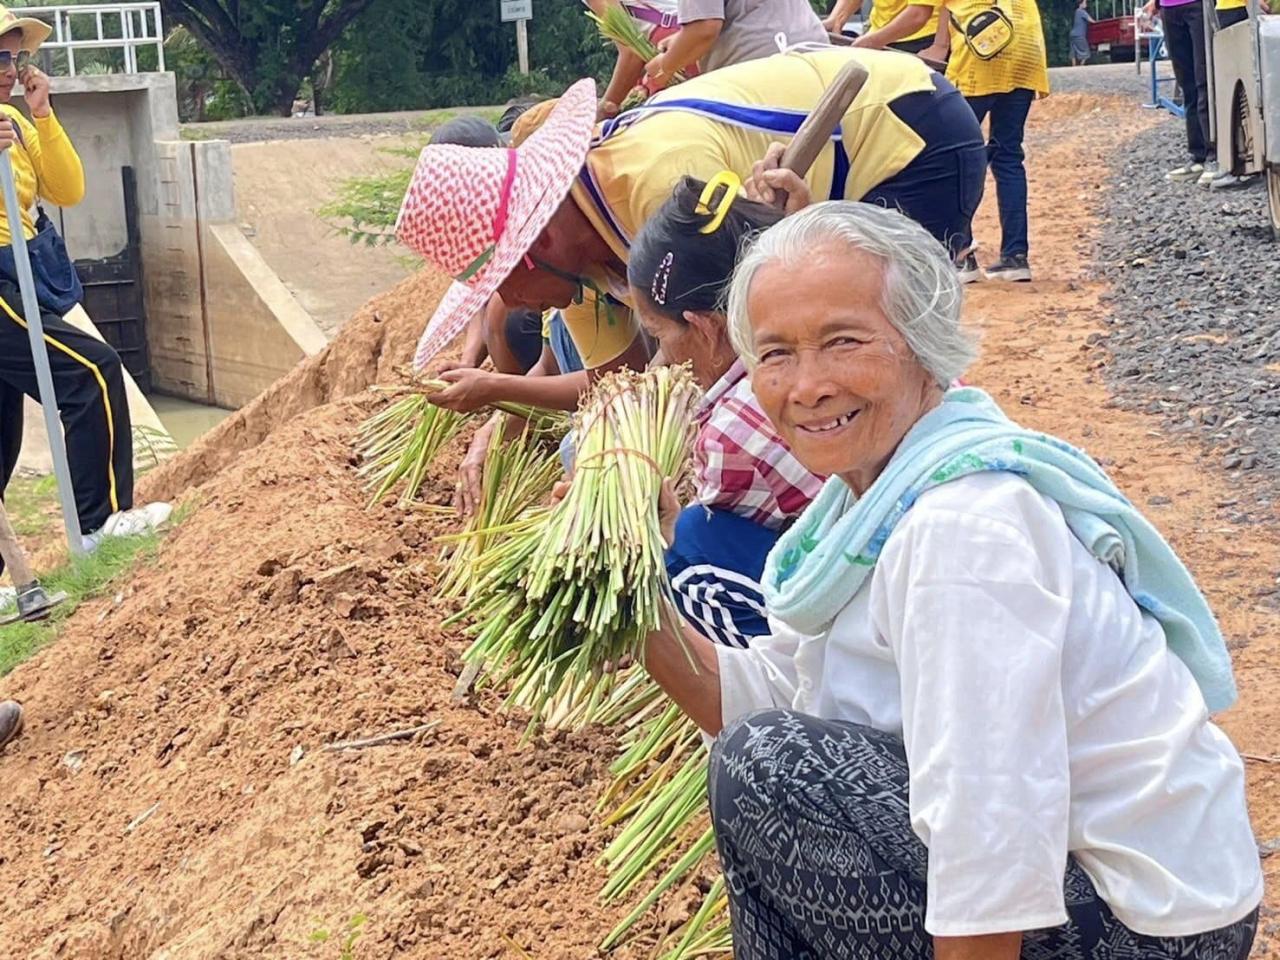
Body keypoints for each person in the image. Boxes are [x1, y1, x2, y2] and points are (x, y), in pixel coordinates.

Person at [635, 201, 1262, 958]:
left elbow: (991, 833)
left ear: (922, 345)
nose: (807, 386)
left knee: (767, 769)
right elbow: (760, 697)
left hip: (1148, 926)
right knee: (758, 767)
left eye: (844, 342)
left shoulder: (961, 533)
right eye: (775, 354)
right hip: (1081, 888)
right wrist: (627, 585)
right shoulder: (862, 503)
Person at [398, 46, 987, 373]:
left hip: (905, 132)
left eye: (499, 284)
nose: (507, 305)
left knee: (888, 342)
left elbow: (738, 341)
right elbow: (619, 374)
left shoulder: (657, 182)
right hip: (846, 167)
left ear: (535, 251)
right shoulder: (582, 252)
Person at [623, 172, 824, 647]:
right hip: (905, 544)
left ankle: (784, 688)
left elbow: (707, 536)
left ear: (706, 328)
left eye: (662, 335)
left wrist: (658, 529)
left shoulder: (731, 427)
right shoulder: (820, 326)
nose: (664, 355)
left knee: (689, 545)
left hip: (872, 596)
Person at [0, 7, 170, 564]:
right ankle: (99, 523)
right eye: (0, 56)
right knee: (90, 370)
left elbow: (68, 189)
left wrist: (42, 115)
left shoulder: (17, 123)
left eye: (15, 56)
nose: (9, 67)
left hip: (20, 271)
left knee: (2, 437)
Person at [918, 0, 1049, 282]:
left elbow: (924, 11)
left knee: (956, 156)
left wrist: (870, 41)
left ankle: (962, 255)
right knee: (1008, 154)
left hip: (983, 49)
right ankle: (1016, 257)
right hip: (1024, 46)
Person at [644, 0, 828, 90]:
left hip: (763, 72)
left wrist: (664, 68)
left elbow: (704, 28)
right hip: (818, 57)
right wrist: (679, 40)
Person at [1142, 0, 1211, 183]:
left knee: (1204, 80)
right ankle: (1198, 156)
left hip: (1198, 6)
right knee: (1187, 85)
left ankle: (1214, 155)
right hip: (1170, 9)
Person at [824, 0, 944, 56]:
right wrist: (836, 20)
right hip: (877, 34)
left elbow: (919, 14)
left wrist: (873, 41)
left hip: (922, 38)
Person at [1070, 0, 1094, 65]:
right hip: (1079, 34)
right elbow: (1091, 20)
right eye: (1085, 3)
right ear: (1080, 4)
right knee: (1086, 51)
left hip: (1073, 34)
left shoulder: (1076, 11)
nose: (1086, 4)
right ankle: (1081, 65)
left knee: (1073, 51)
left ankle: (1073, 66)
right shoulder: (1082, 12)